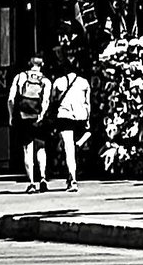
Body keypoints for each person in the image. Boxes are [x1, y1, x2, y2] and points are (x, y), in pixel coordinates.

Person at [7, 56, 52, 193]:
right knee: (41, 147)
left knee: (27, 149)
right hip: (38, 117)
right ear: (41, 65)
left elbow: (10, 99)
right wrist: (42, 115)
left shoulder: (20, 77)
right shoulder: (45, 80)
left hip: (23, 116)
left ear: (29, 64)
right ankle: (43, 177)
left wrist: (11, 115)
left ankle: (32, 182)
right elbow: (46, 101)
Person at [50, 60, 91, 193]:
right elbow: (87, 103)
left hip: (65, 116)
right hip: (81, 116)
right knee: (84, 136)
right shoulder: (84, 82)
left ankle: (72, 179)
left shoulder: (58, 82)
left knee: (69, 149)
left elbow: (52, 100)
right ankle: (79, 143)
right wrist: (88, 120)